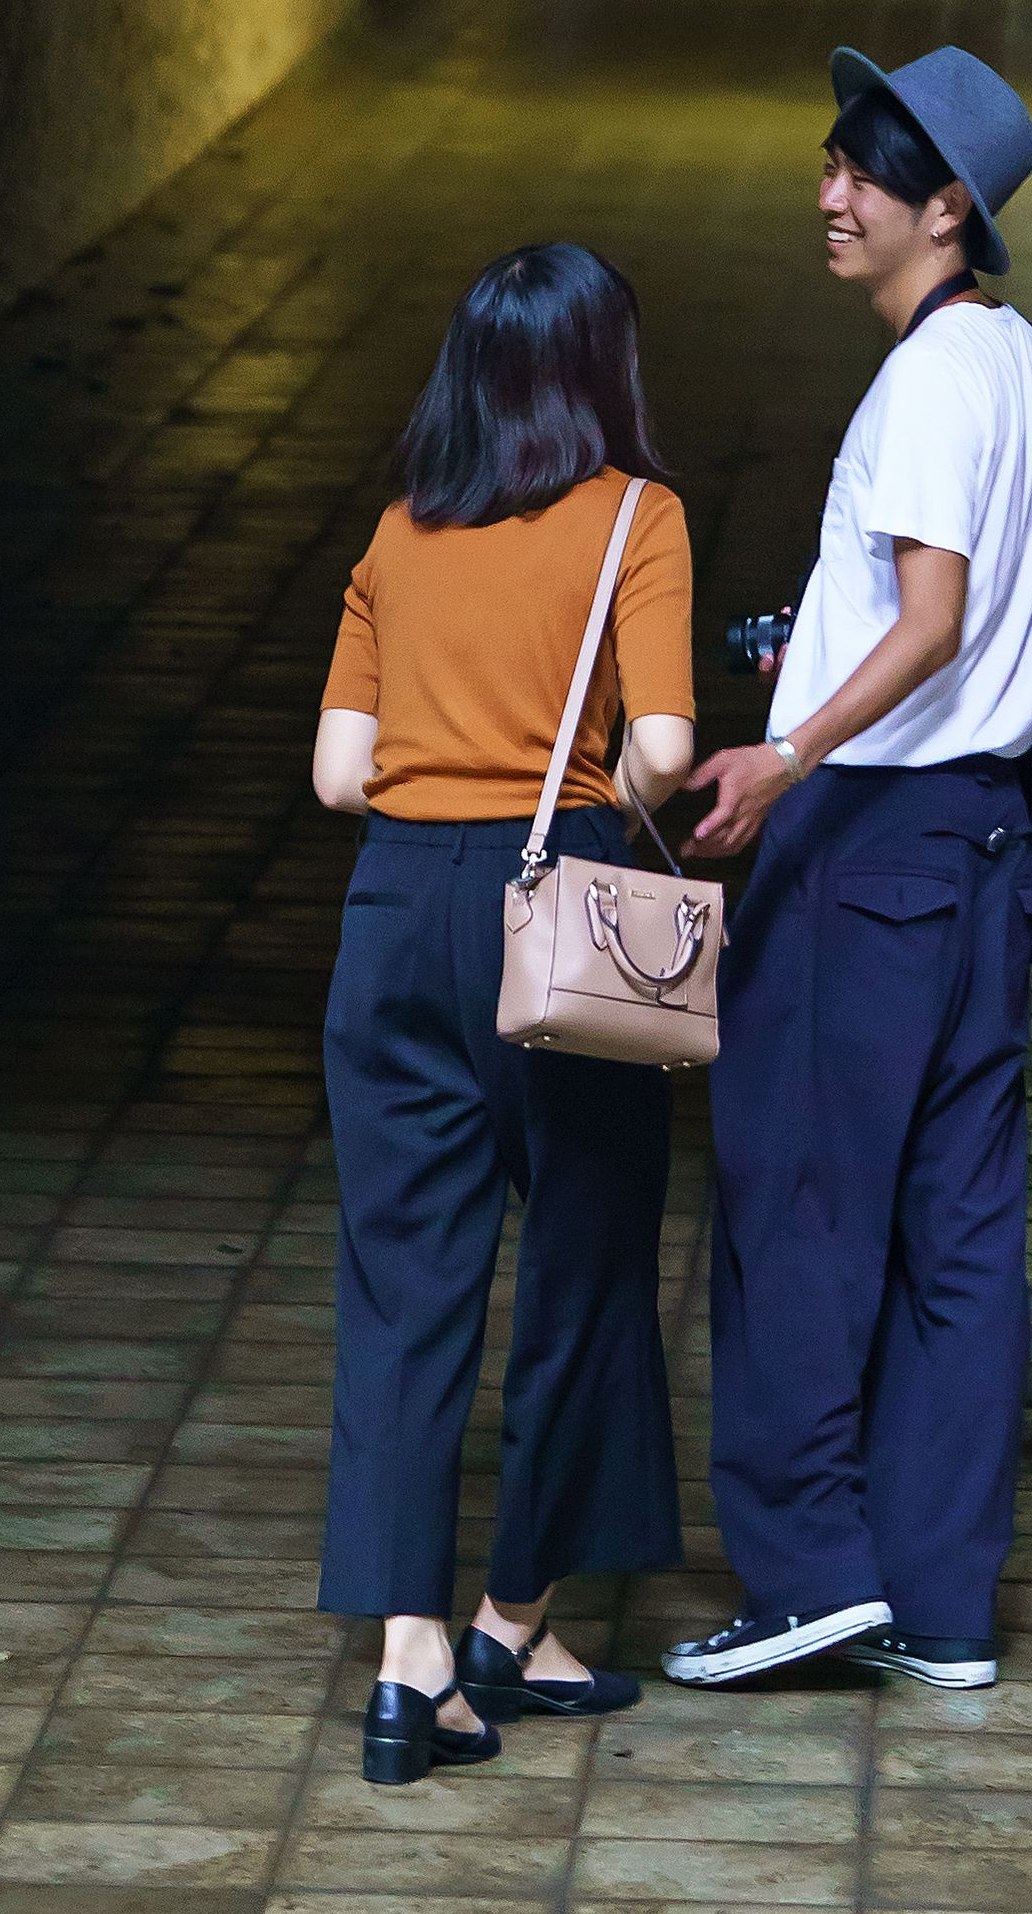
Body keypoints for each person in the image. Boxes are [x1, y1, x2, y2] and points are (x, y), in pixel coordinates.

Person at [664, 44, 1032, 1696]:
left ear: (945, 205)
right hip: (984, 847)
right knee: (958, 1234)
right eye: (830, 161)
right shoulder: (1025, 364)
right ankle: (939, 1601)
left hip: (873, 847)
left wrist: (788, 749)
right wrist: (833, 661)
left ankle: (804, 1573)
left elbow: (934, 617)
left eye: (859, 172)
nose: (827, 194)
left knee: (795, 1203)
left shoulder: (927, 381)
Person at [313, 242, 697, 1785]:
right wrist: (585, 753)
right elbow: (661, 749)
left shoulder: (398, 529)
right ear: (601, 369)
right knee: (587, 1263)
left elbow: (338, 773)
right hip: (557, 910)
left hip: (395, 911)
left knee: (403, 1284)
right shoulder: (636, 518)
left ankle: (409, 1661)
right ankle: (512, 1611)